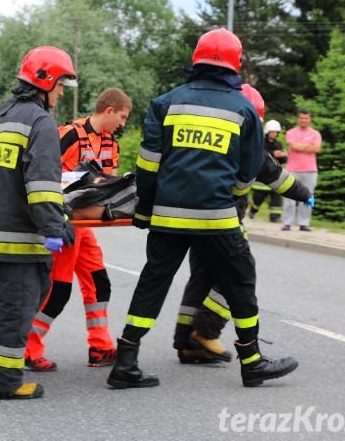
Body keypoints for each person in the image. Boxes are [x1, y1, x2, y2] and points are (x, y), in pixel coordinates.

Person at [107, 28, 298, 389]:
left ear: (197, 59)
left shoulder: (165, 103)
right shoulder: (245, 109)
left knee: (153, 283)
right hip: (217, 218)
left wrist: (146, 208)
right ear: (234, 63)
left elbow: (148, 165)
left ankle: (126, 361)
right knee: (241, 283)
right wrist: (232, 195)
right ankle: (252, 361)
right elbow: (247, 171)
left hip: (166, 215)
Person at [174, 84, 314, 365]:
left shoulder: (211, 135)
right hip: (225, 220)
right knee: (236, 276)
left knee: (201, 278)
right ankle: (205, 332)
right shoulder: (246, 141)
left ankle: (186, 341)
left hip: (194, 218)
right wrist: (305, 194)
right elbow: (276, 177)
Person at [0, 46, 76, 400]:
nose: (61, 91)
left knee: (27, 293)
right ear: (45, 81)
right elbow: (42, 184)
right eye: (61, 83)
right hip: (21, 230)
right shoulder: (40, 122)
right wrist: (53, 228)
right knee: (20, 303)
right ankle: (3, 379)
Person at [25, 88, 131, 372]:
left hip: (85, 227)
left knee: (99, 284)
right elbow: (41, 171)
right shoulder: (68, 135)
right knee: (56, 292)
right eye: (121, 117)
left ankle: (100, 347)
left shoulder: (111, 144)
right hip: (64, 225)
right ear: (108, 110)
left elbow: (108, 186)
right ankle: (28, 348)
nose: (123, 124)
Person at [281, 109, 321, 232]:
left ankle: (304, 223)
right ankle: (287, 223)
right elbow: (293, 145)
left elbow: (317, 148)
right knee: (289, 196)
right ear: (298, 119)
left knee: (308, 196)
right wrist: (308, 145)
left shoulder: (315, 133)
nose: (304, 120)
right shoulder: (291, 132)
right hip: (292, 169)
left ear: (310, 119)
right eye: (302, 118)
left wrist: (301, 146)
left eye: (306, 118)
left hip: (310, 170)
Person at [249, 119, 287, 222]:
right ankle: (253, 210)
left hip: (274, 174)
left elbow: (284, 159)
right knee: (258, 196)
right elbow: (260, 155)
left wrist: (283, 155)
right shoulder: (261, 142)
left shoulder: (278, 144)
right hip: (262, 175)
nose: (275, 134)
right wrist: (273, 154)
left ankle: (274, 216)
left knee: (276, 196)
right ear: (268, 132)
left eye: (276, 132)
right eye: (273, 132)